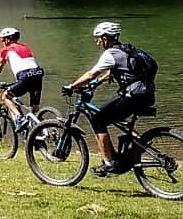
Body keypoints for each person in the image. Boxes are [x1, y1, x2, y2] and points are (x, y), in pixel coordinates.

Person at [62, 21, 156, 177]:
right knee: (113, 115)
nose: (97, 42)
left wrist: (71, 86)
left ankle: (109, 163)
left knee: (98, 118)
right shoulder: (127, 51)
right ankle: (136, 144)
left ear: (106, 38)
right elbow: (114, 72)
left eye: (98, 38)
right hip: (147, 94)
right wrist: (96, 83)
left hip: (132, 96)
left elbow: (91, 73)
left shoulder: (110, 54)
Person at [0, 27, 45, 129]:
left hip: (25, 76)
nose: (2, 43)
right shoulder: (25, 47)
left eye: (2, 40)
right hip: (38, 73)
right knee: (35, 109)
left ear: (7, 39)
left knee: (5, 96)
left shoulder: (6, 50)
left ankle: (19, 118)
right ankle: (40, 132)